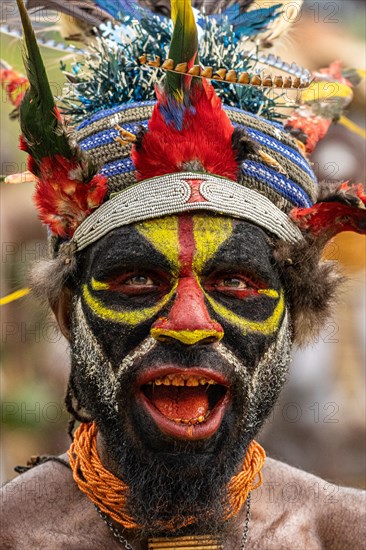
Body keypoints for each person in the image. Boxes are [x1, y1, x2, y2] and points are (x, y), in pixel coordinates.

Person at [1, 0, 365, 548]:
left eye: (235, 282)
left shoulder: (343, 533)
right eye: (138, 280)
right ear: (64, 312)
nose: (190, 324)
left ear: (298, 316)